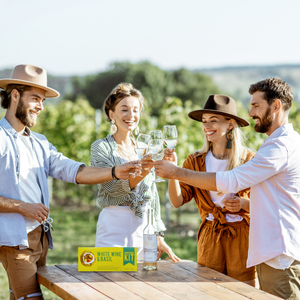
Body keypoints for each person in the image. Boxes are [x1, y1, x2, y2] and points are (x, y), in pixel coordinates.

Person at [0, 64, 140, 300]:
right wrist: (23, 207)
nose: (41, 107)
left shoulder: (40, 142)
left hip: (40, 237)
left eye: (43, 100)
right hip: (16, 240)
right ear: (15, 95)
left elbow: (74, 171)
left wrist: (115, 171)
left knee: (18, 296)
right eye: (35, 99)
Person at [154, 77, 300, 300]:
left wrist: (175, 172)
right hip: (262, 248)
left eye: (255, 105)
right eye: (204, 121)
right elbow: (275, 198)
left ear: (276, 106)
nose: (251, 113)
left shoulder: (275, 148)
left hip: (273, 250)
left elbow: (232, 180)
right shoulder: (276, 144)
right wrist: (175, 172)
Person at [159, 95, 256, 285]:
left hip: (242, 237)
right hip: (211, 237)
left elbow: (265, 203)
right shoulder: (195, 161)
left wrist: (243, 204)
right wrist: (174, 172)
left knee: (245, 292)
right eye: (204, 121)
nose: (207, 126)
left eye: (213, 121)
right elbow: (177, 201)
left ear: (230, 124)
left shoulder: (249, 160)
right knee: (208, 291)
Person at [90, 82, 180, 262]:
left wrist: (158, 235)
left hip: (144, 229)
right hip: (114, 227)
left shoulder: (146, 149)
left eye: (136, 110)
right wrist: (145, 171)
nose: (131, 115)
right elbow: (112, 187)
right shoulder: (101, 147)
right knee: (110, 285)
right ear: (111, 114)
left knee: (143, 287)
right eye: (124, 109)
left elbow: (152, 196)